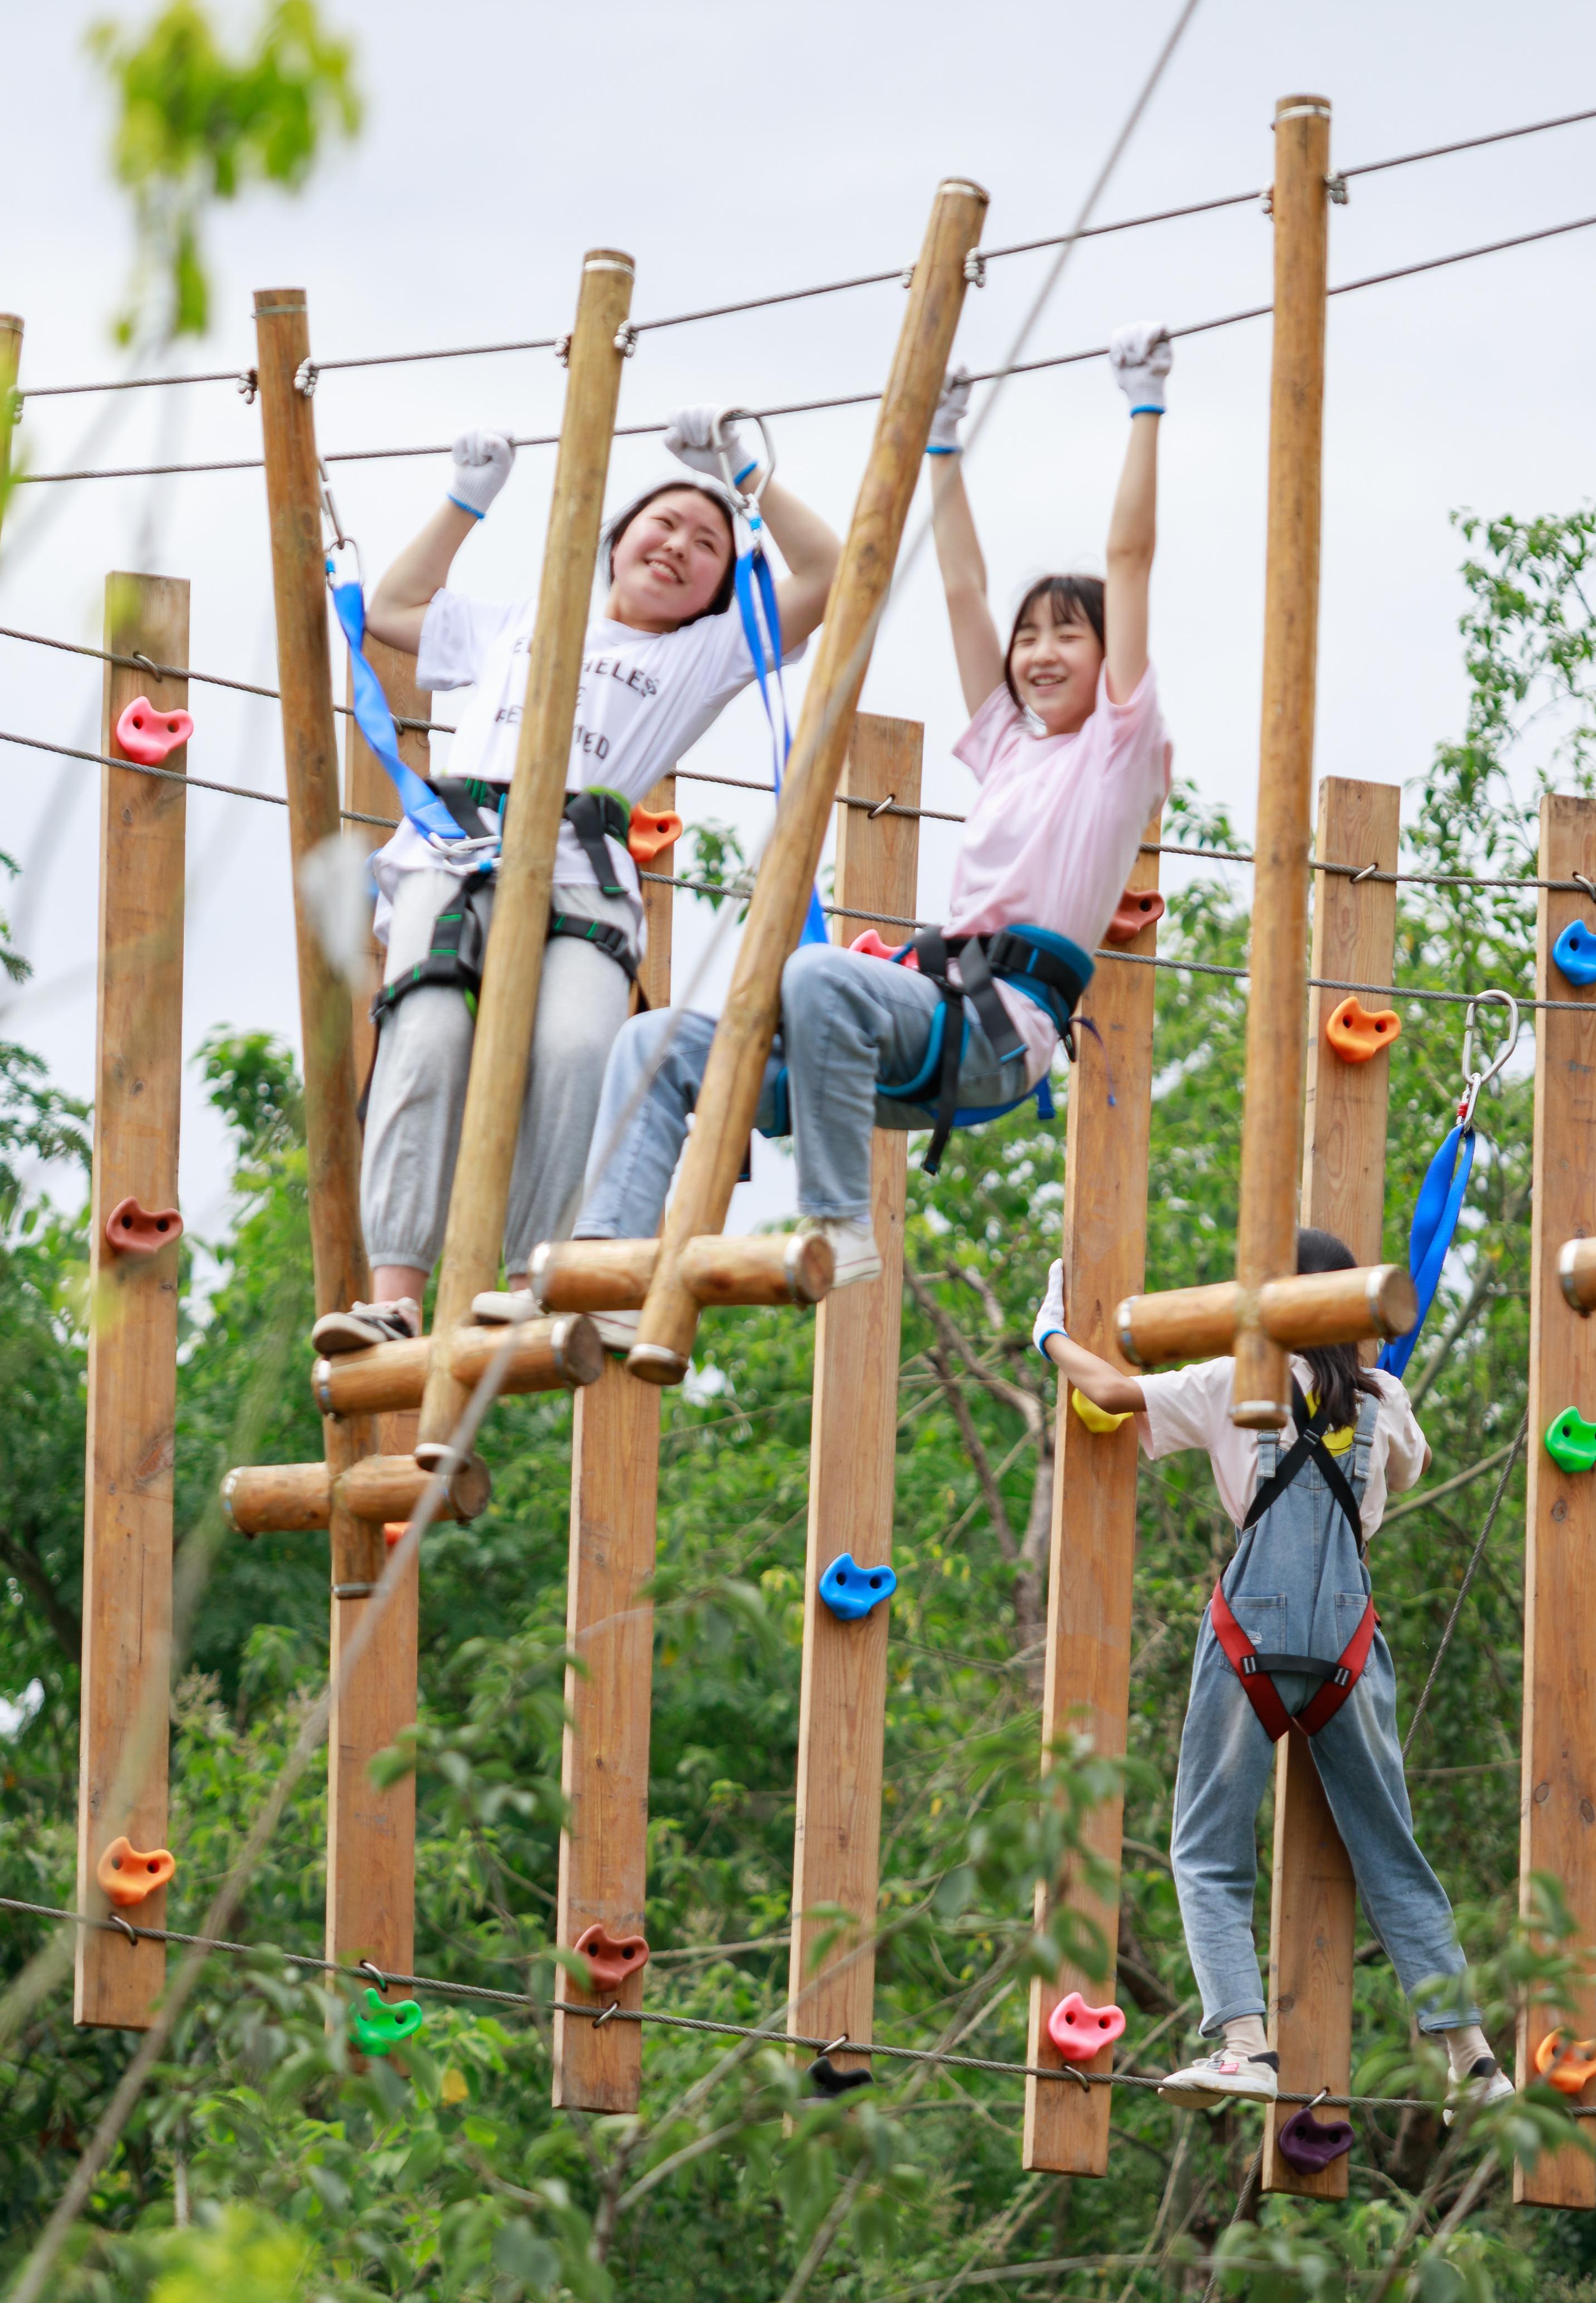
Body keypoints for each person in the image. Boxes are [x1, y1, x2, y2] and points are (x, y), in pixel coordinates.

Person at [562, 326, 1175, 1324]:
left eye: (1070, 632)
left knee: (815, 973)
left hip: (996, 1032)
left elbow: (1130, 559)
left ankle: (840, 1224)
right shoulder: (1009, 744)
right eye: (1031, 637)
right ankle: (610, 1272)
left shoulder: (1115, 750)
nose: (1040, 652)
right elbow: (964, 587)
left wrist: (1143, 410)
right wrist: (941, 443)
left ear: (1109, 659)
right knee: (655, 1043)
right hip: (885, 1042)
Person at [308, 410, 842, 1357]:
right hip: (458, 844)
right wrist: (464, 502)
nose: (679, 546)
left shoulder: (700, 656)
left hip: (583, 859)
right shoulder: (521, 623)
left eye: (707, 546)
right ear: (617, 540)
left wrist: (748, 479)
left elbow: (833, 578)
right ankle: (394, 1292)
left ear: (723, 586)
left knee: (574, 1051)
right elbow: (393, 608)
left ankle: (531, 1280)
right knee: (426, 1037)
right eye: (664, 525)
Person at [1036, 1227, 1514, 2112]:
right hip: (1348, 1650)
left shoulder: (1234, 1382)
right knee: (1392, 1852)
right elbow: (1412, 1468)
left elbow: (1106, 1390)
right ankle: (1472, 2055)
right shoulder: (1385, 1397)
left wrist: (1051, 1333)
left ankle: (1245, 2044)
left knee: (1208, 1848)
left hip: (1250, 1640)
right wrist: (1368, 1377)